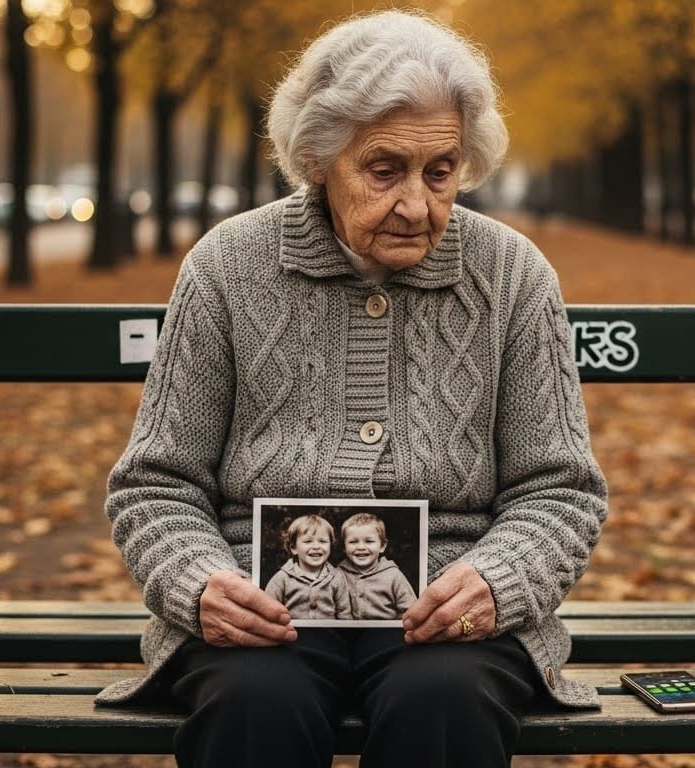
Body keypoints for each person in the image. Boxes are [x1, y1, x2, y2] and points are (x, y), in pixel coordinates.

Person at [97, 9, 608, 768]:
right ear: (317, 160)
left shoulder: (511, 274)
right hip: (258, 606)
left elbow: (560, 490)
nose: (417, 203)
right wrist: (196, 581)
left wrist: (499, 581)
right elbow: (154, 483)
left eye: (441, 172)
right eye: (383, 169)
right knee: (253, 706)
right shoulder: (227, 266)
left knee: (443, 702)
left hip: (445, 609)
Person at [264, 514, 353, 620]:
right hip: (292, 633)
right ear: (293, 548)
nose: (316, 546)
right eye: (308, 541)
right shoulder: (282, 578)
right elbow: (267, 608)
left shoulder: (336, 576)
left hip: (329, 634)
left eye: (323, 541)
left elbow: (344, 612)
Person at [337, 512, 417, 620]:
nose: (361, 547)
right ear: (344, 548)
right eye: (353, 542)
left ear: (382, 546)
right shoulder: (338, 575)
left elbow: (410, 610)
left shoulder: (393, 575)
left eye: (369, 541)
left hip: (385, 633)